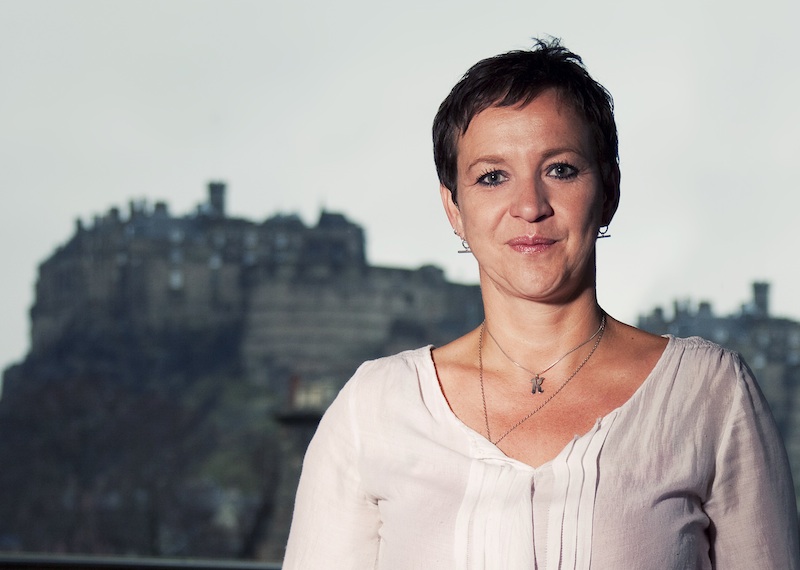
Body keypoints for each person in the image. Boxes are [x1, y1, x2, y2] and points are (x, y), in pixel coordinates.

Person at [283, 39, 800, 569]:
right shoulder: (374, 409)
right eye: (492, 177)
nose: (530, 206)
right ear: (454, 209)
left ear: (609, 190)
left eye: (561, 169)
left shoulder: (710, 393)